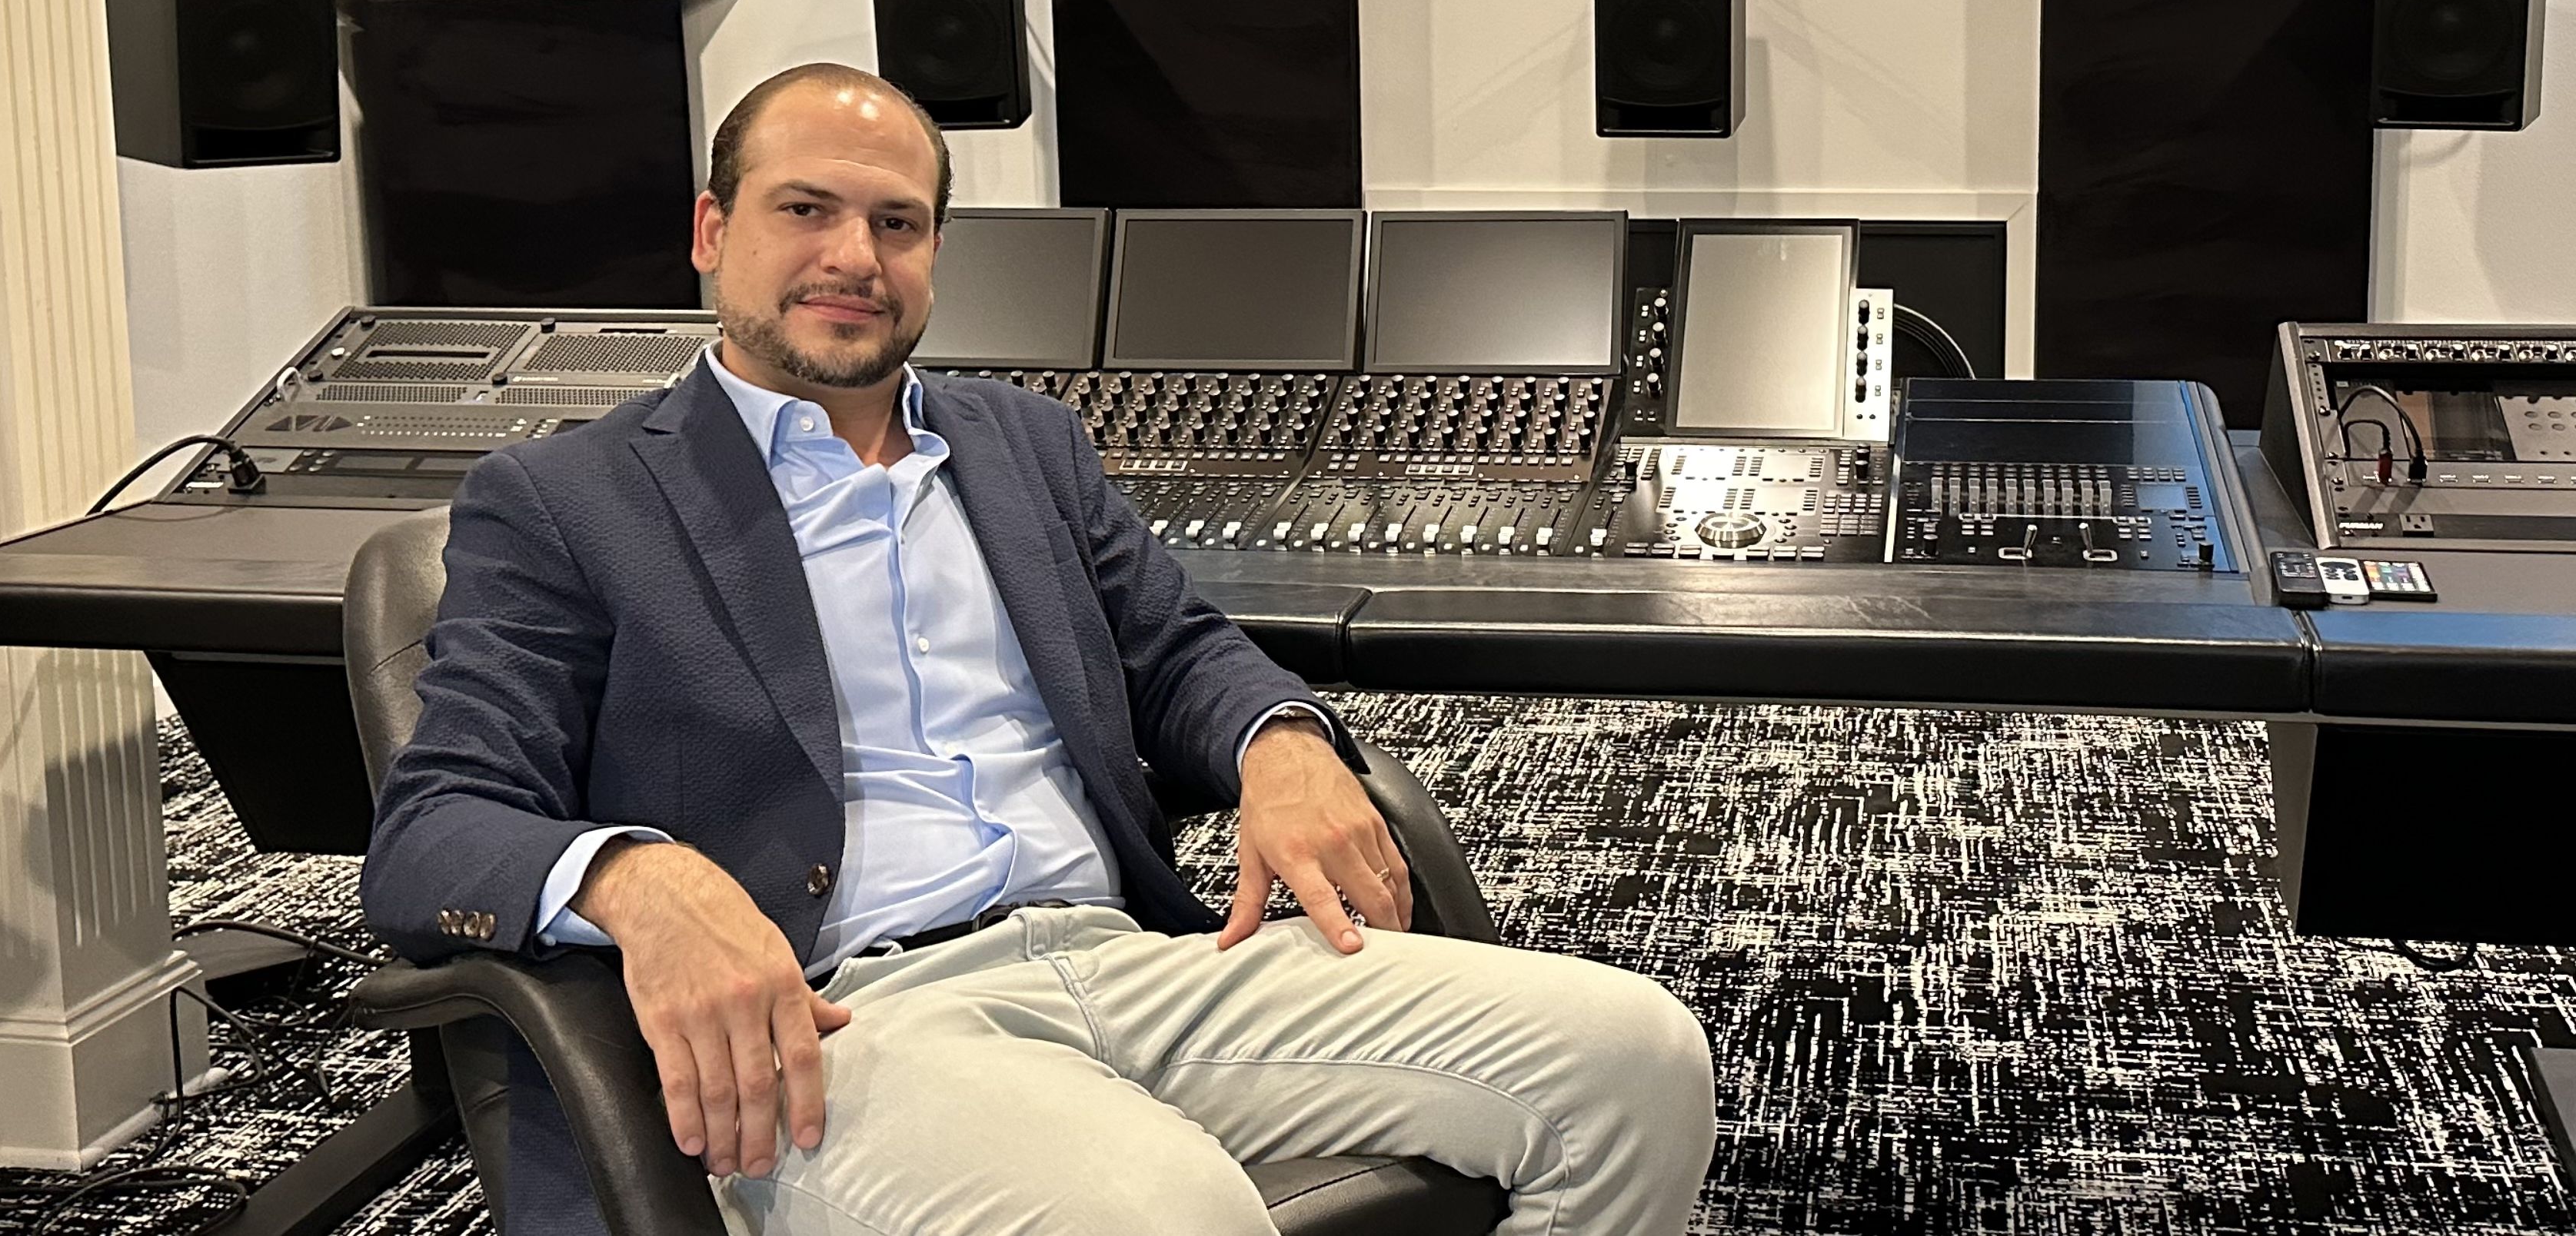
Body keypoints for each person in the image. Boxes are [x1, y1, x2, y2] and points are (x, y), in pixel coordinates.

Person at [361, 64, 1716, 1236]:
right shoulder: (567, 499)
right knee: (1167, 1215)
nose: (855, 255)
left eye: (899, 222)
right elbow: (435, 833)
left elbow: (1179, 650)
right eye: (806, 210)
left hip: (1131, 954)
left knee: (1636, 1061)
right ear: (713, 233)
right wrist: (634, 880)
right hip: (852, 1025)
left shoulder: (1021, 443)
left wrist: (1280, 739)